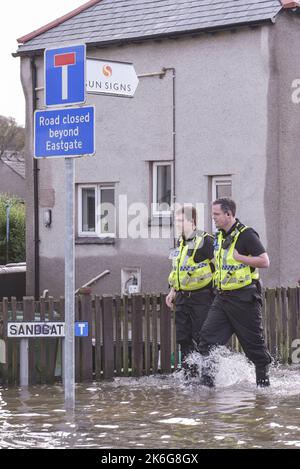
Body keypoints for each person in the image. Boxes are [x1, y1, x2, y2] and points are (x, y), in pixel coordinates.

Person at [198, 197, 272, 387]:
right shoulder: (220, 236)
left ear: (229, 214)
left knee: (254, 347)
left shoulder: (246, 235)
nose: (213, 218)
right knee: (206, 341)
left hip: (244, 298)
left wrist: (241, 258)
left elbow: (264, 261)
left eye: (216, 214)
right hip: (222, 298)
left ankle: (263, 389)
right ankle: (207, 387)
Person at [166, 205, 215, 379]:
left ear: (192, 221)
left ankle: (208, 378)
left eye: (180, 220)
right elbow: (179, 270)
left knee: (202, 338)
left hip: (202, 297)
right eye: (176, 220)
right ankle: (189, 377)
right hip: (182, 298)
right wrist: (172, 291)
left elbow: (218, 266)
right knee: (183, 338)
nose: (177, 224)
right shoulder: (180, 242)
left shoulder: (206, 240)